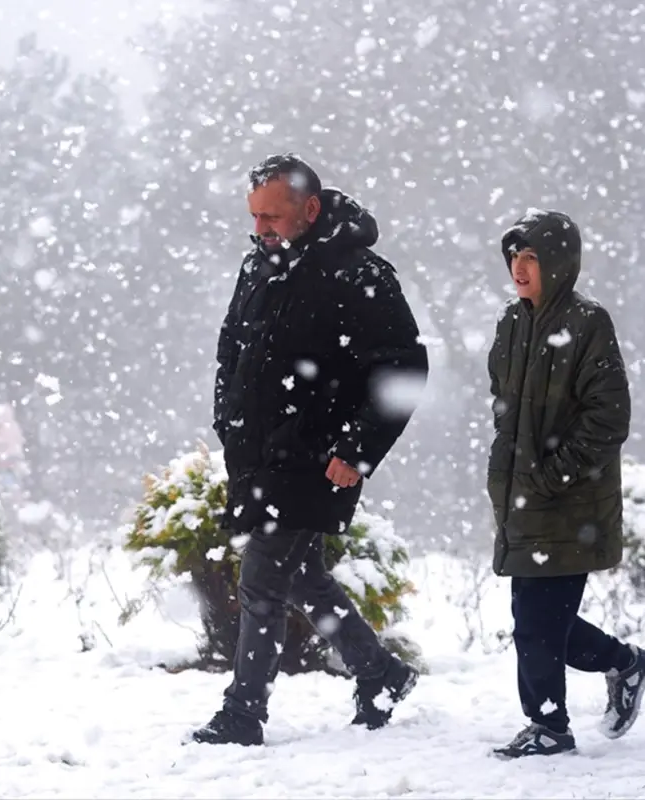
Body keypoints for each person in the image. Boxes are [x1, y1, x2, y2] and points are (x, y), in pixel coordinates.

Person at [189, 153, 429, 746]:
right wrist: (230, 422)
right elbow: (231, 353)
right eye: (255, 217)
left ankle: (243, 713)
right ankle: (380, 672)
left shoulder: (358, 273)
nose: (261, 228)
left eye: (273, 216)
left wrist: (357, 449)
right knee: (302, 579)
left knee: (262, 580)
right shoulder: (258, 267)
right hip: (258, 455)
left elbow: (403, 369)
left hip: (318, 457)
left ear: (311, 208)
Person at [485, 208, 645, 759]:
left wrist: (555, 471)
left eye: (531, 256)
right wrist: (511, 467)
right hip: (522, 497)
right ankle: (626, 663)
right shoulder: (512, 322)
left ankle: (549, 727)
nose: (519, 266)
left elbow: (610, 416)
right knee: (536, 620)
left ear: (557, 262)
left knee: (537, 622)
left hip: (570, 502)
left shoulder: (587, 323)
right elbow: (503, 402)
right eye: (514, 255)